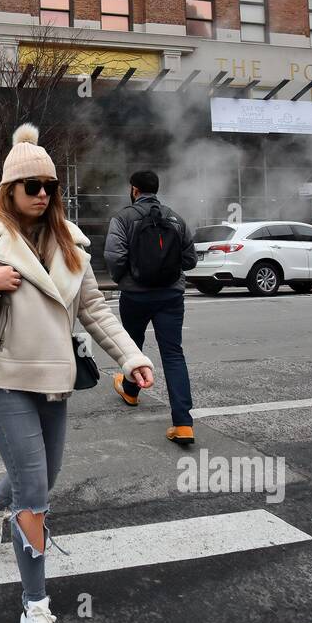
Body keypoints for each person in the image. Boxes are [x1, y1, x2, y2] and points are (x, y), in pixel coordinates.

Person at [0, 124, 154, 623]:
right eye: (30, 185)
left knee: (43, 477)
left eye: (49, 185)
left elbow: (97, 309)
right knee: (36, 491)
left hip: (55, 378)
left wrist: (130, 358)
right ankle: (36, 608)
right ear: (9, 189)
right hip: (3, 374)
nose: (42, 194)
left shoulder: (71, 241)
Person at [104, 169, 198, 446]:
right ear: (156, 189)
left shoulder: (123, 218)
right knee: (173, 354)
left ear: (134, 189)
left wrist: (126, 280)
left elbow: (114, 256)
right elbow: (190, 259)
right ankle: (183, 424)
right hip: (170, 297)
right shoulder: (175, 218)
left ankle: (131, 391)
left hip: (135, 296)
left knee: (132, 346)